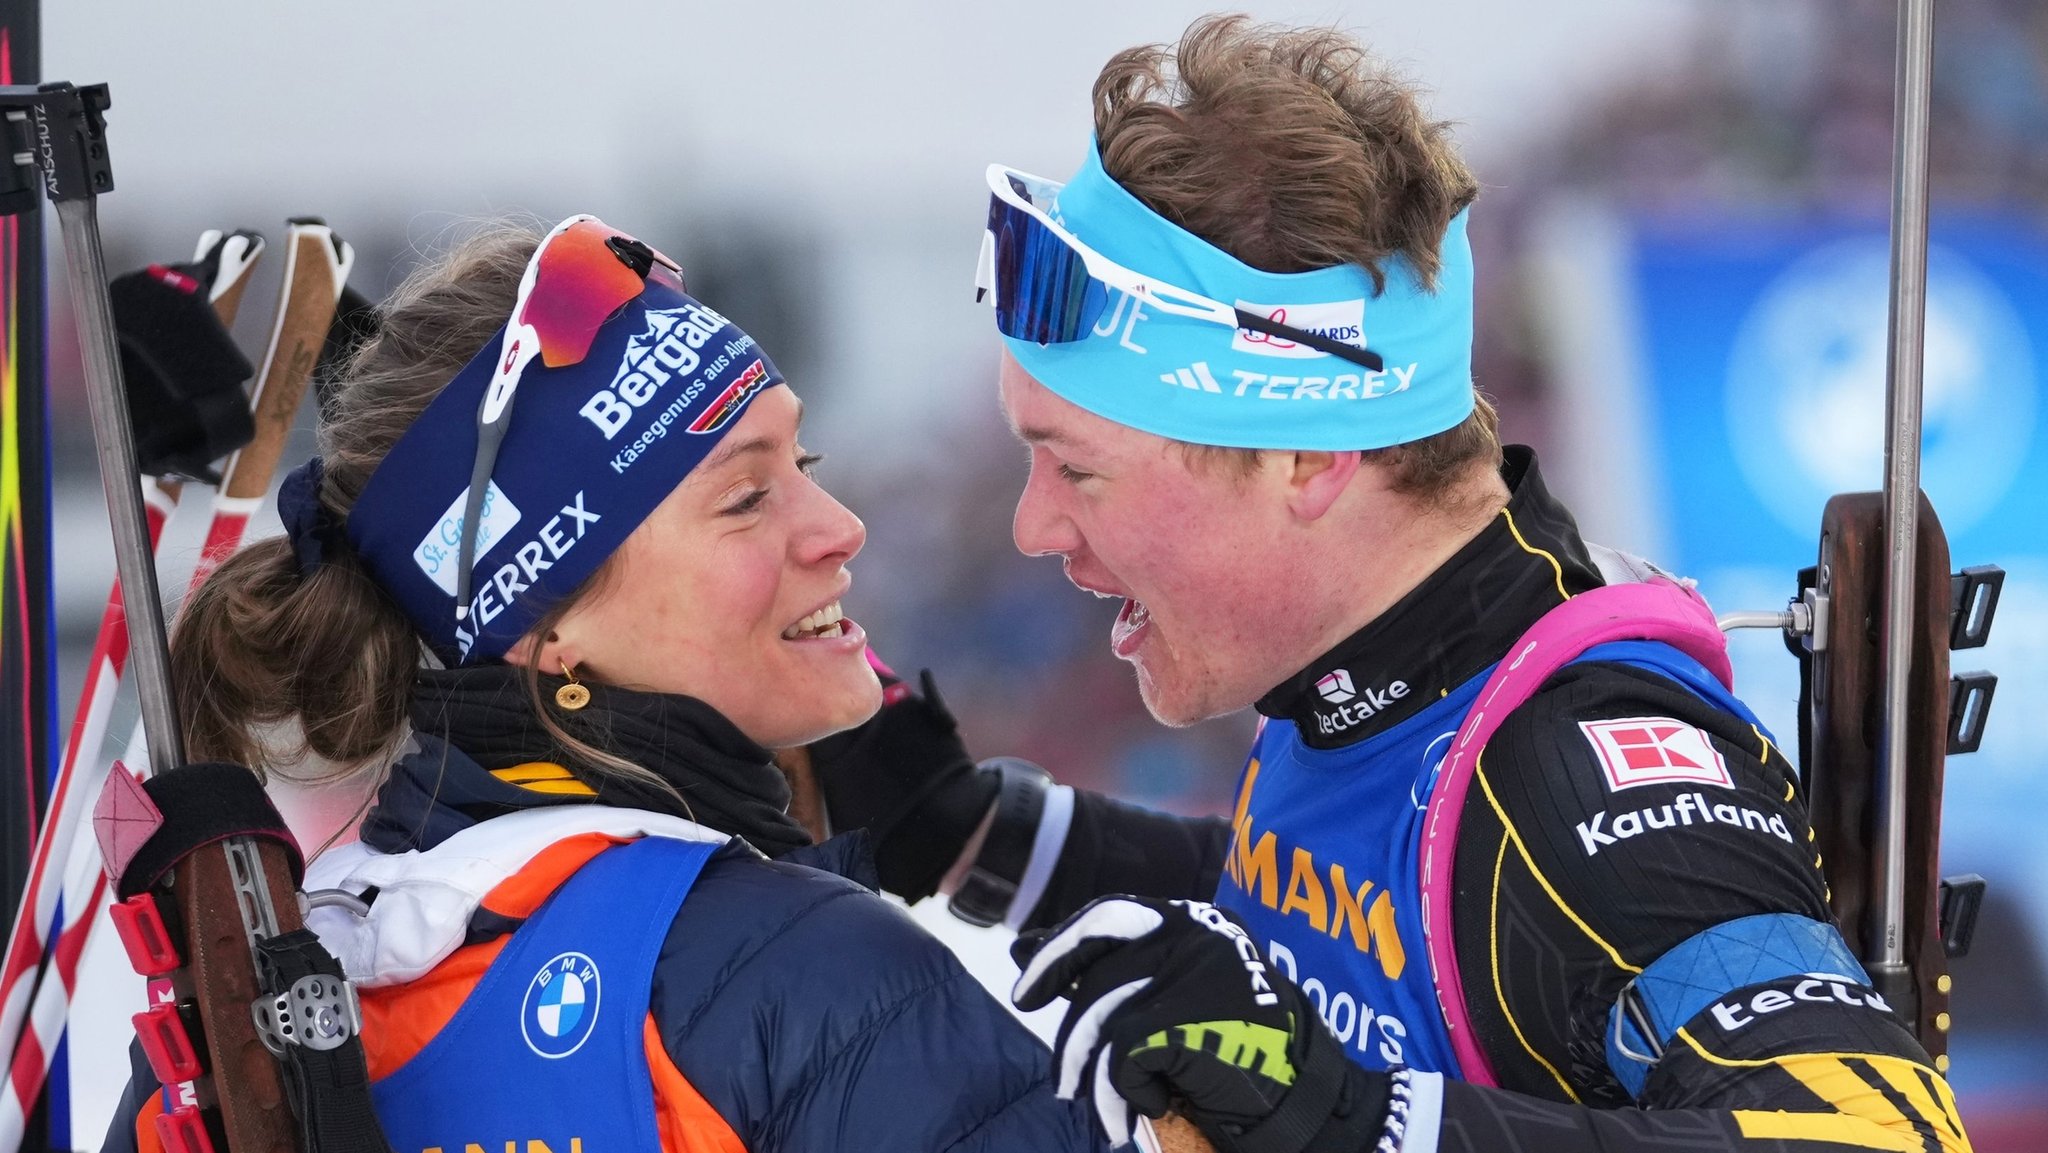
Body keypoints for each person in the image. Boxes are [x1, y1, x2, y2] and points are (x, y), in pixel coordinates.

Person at [813, 16, 1972, 1153]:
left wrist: (1354, 1120)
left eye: (1076, 468)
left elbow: (1885, 1139)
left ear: (1306, 458)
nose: (1031, 527)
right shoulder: (1363, 686)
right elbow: (1381, 912)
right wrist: (983, 833)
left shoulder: (1581, 784)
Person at [101, 216, 1107, 1153]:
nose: (840, 527)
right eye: (747, 497)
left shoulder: (249, 1021)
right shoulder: (818, 980)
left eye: (804, 460)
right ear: (547, 625)